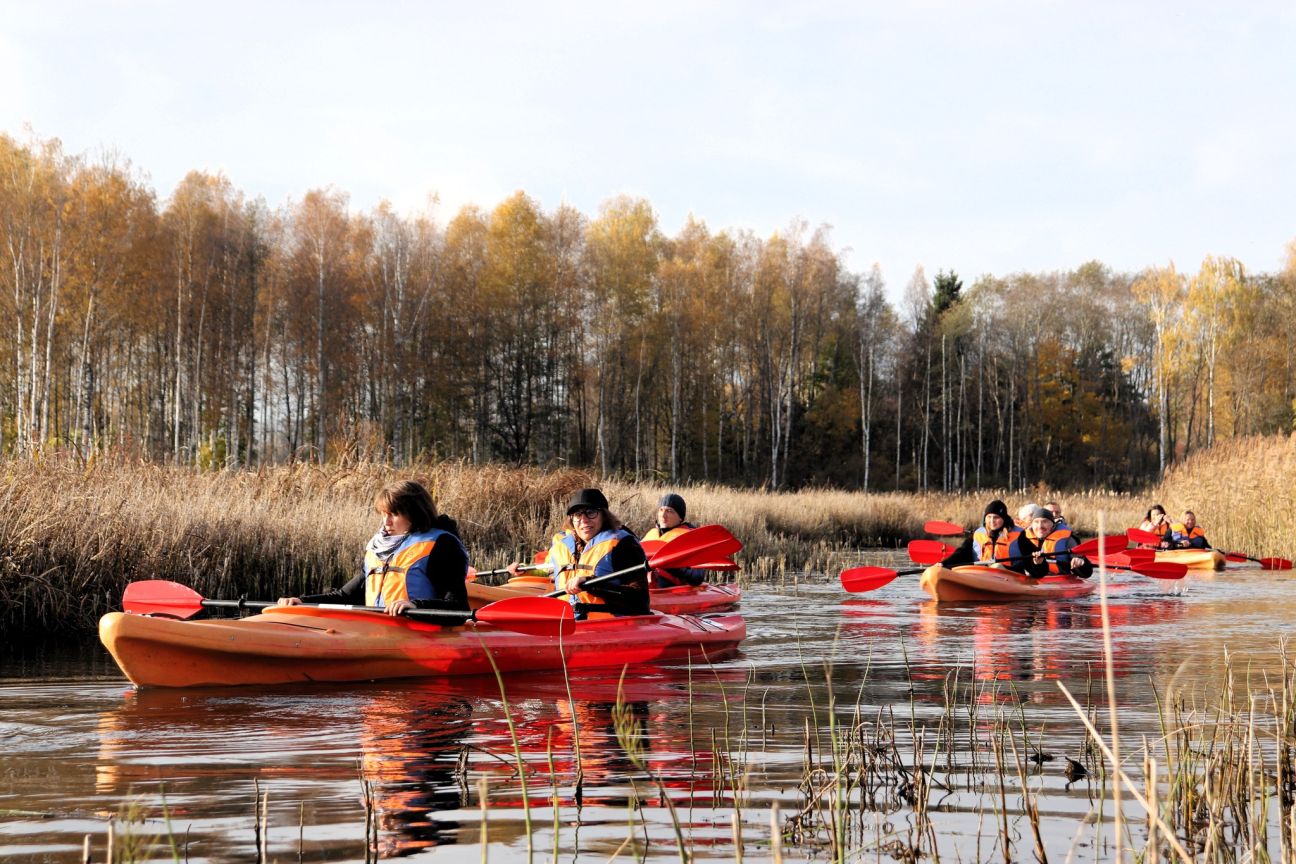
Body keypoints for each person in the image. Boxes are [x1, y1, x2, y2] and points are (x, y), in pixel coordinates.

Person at [278, 480, 469, 615]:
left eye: (394, 514)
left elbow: (457, 606)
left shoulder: (442, 546)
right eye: (383, 514)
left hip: (421, 632)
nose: (386, 521)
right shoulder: (378, 548)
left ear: (415, 514)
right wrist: (302, 601)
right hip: (378, 629)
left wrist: (414, 605)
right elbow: (346, 596)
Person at [508, 488, 650, 620]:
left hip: (609, 625)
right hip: (567, 622)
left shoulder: (623, 546)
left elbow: (639, 601)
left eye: (591, 512)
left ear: (604, 516)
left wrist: (591, 585)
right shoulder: (563, 545)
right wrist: (525, 571)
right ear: (572, 519)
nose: (584, 520)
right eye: (577, 514)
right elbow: (548, 570)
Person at [641, 492, 706, 587]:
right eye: (661, 510)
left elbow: (697, 577)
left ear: (680, 517)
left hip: (670, 586)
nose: (663, 515)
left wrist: (672, 568)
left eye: (669, 511)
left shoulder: (690, 538)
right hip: (644, 582)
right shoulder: (651, 534)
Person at [939, 499, 1023, 568]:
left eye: (996, 517)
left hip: (1011, 575)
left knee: (997, 566)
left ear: (1004, 519)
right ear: (985, 519)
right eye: (989, 517)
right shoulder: (978, 534)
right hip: (982, 573)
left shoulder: (1021, 535)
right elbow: (962, 552)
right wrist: (944, 563)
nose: (992, 521)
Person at [1018, 506, 1093, 579]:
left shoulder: (1068, 540)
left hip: (1061, 580)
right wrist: (1038, 564)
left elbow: (1086, 573)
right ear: (1032, 525)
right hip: (1032, 579)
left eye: (1045, 521)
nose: (1040, 526)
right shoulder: (1024, 539)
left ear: (1053, 525)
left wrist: (1081, 564)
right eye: (1036, 522)